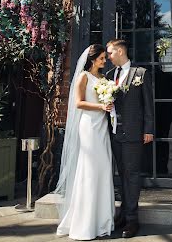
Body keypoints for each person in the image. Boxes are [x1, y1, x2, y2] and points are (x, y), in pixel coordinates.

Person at [55, 44, 115, 240]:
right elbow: (78, 103)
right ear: (92, 59)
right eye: (102, 58)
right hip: (88, 126)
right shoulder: (83, 77)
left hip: (102, 127)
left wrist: (109, 104)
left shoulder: (103, 79)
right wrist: (101, 106)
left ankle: (102, 220)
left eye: (105, 58)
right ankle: (85, 223)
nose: (105, 61)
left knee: (103, 169)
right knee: (89, 170)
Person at [106, 39, 154, 239]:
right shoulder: (110, 76)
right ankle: (123, 214)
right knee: (123, 174)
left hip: (135, 134)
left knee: (132, 175)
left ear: (119, 51)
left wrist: (148, 130)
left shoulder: (140, 74)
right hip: (115, 133)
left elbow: (148, 105)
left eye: (110, 53)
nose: (108, 57)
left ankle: (132, 220)